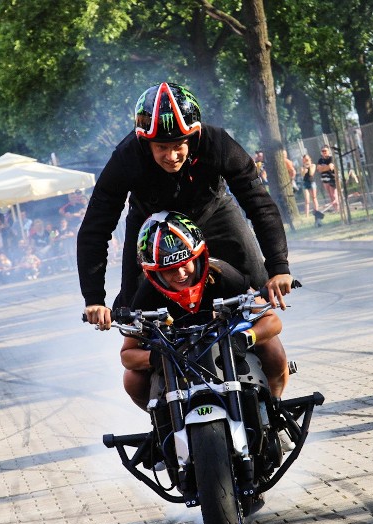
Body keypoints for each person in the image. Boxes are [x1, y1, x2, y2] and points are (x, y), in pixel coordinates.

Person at [78, 82, 292, 331]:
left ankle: (266, 360)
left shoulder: (219, 144)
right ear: (145, 142)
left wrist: (279, 267)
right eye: (161, 147)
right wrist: (94, 299)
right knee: (133, 309)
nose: (171, 156)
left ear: (194, 136)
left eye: (178, 145)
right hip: (151, 225)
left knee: (260, 288)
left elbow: (259, 205)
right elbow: (95, 229)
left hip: (213, 212)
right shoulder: (126, 158)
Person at [119, 212, 290, 410]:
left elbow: (272, 321)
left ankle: (273, 407)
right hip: (175, 360)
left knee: (273, 350)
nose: (181, 274)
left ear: (198, 257)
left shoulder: (223, 274)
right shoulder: (145, 295)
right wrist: (156, 357)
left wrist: (245, 338)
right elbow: (127, 355)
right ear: (154, 272)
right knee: (132, 379)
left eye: (185, 264)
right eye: (170, 270)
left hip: (231, 346)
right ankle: (161, 423)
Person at [316, 145, 338, 212]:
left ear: (328, 151)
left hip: (332, 178)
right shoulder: (320, 160)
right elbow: (318, 169)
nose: (324, 152)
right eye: (323, 151)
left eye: (325, 151)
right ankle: (335, 209)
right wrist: (325, 168)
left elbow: (331, 167)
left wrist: (323, 168)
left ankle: (338, 208)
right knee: (330, 195)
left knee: (333, 195)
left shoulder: (331, 158)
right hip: (324, 179)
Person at [300, 154, 321, 220]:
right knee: (307, 199)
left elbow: (311, 173)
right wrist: (304, 169)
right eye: (305, 159)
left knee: (314, 197)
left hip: (312, 183)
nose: (306, 161)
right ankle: (307, 215)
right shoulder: (302, 167)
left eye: (307, 159)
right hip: (305, 183)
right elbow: (302, 175)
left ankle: (316, 211)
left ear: (310, 159)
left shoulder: (313, 165)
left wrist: (308, 166)